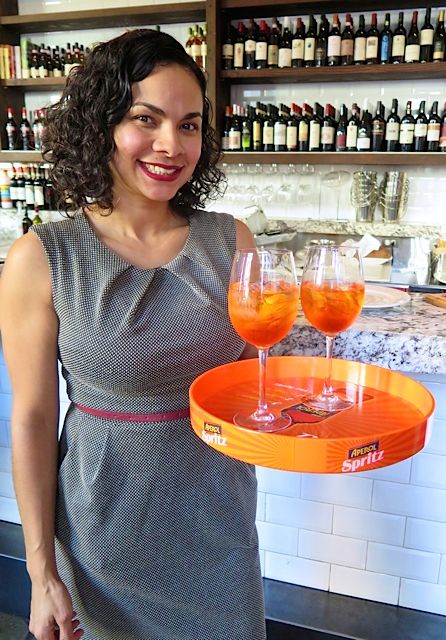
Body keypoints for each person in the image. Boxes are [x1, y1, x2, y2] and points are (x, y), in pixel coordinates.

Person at [0, 29, 266, 640]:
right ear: (101, 125)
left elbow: (258, 386)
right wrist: (40, 573)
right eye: (146, 119)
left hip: (218, 528)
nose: (172, 144)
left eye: (189, 125)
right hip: (102, 536)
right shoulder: (41, 258)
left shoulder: (233, 242)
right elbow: (33, 419)